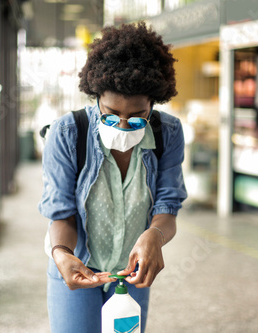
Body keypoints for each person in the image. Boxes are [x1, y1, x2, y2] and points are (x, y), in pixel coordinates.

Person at [38, 21, 187, 332]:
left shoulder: (167, 133)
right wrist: (62, 254)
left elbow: (167, 209)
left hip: (132, 273)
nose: (121, 126)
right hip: (78, 268)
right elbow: (61, 215)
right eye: (110, 113)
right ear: (95, 96)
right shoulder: (67, 133)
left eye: (136, 117)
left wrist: (154, 236)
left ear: (153, 104)